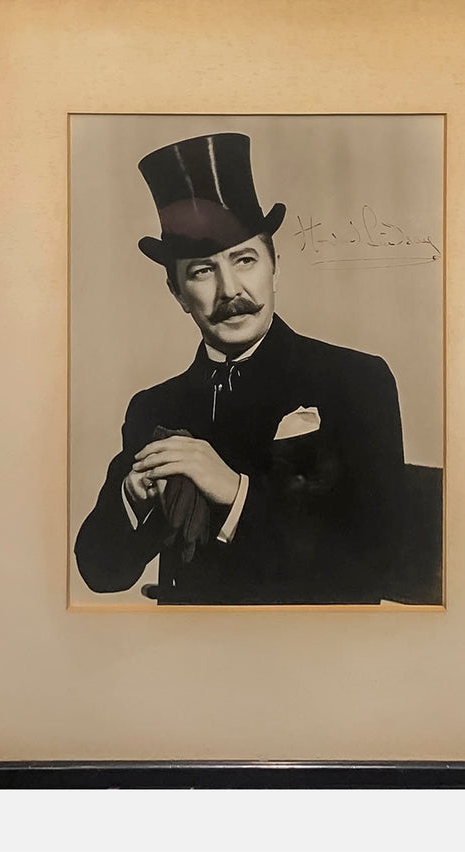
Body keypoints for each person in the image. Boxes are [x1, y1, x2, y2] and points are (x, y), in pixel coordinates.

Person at [74, 132, 407, 604]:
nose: (230, 290)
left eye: (244, 260)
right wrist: (133, 496)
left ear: (274, 266)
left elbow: (381, 562)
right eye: (202, 271)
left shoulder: (356, 381)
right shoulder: (154, 407)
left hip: (315, 645)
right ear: (178, 294)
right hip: (189, 645)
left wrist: (235, 493)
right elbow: (101, 573)